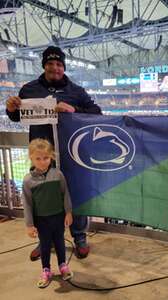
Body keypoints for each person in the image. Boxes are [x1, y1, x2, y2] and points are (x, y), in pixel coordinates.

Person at [6, 46, 102, 260]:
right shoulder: (29, 89)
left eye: (59, 64)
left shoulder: (76, 91)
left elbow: (97, 112)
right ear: (44, 65)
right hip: (43, 156)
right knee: (43, 199)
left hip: (71, 153)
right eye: (50, 64)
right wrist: (11, 109)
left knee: (75, 195)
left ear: (64, 66)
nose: (55, 68)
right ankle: (45, 240)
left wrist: (73, 110)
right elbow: (15, 117)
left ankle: (79, 237)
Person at [23, 139, 73, 288]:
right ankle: (46, 270)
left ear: (51, 157)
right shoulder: (27, 181)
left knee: (59, 242)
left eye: (45, 158)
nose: (42, 162)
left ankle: (63, 265)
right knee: (44, 246)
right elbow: (27, 204)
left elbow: (65, 195)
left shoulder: (58, 175)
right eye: (38, 158)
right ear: (31, 158)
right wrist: (29, 225)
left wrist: (68, 212)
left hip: (58, 217)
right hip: (41, 221)